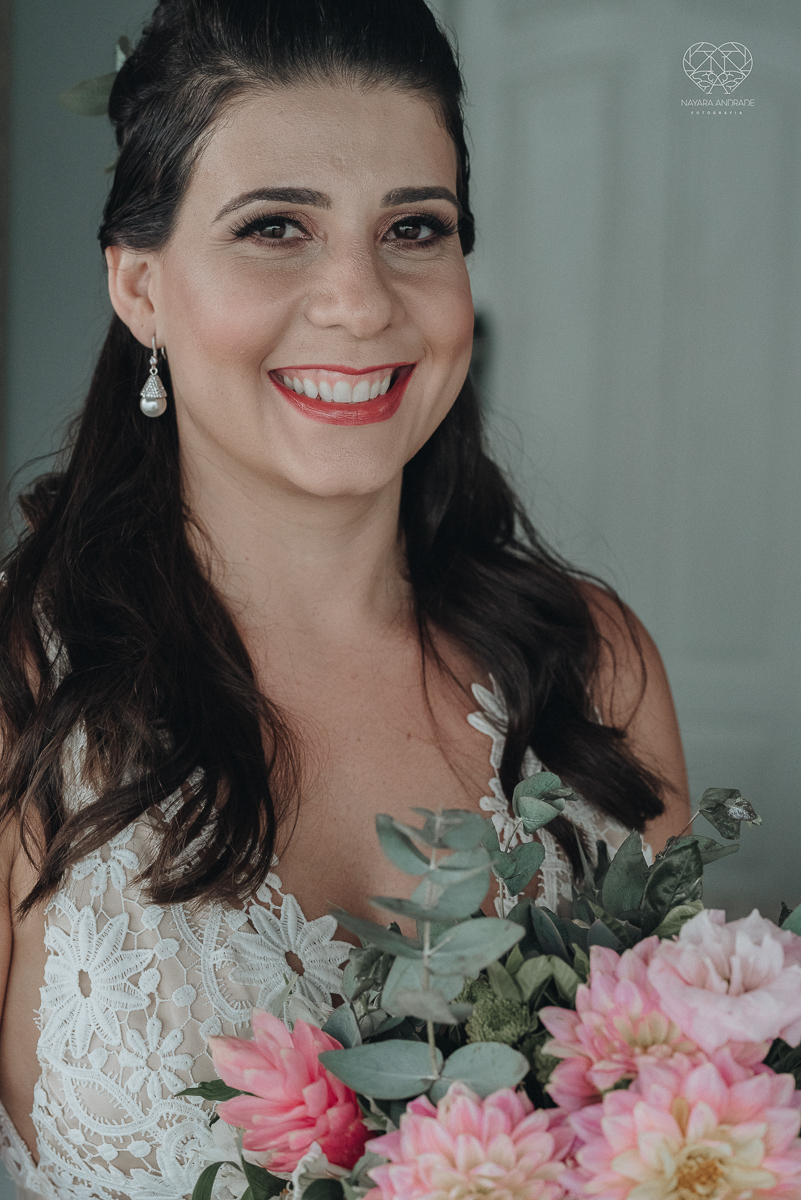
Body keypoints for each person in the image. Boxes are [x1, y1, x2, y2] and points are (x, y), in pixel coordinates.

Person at [0, 0, 690, 1195]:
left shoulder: (591, 665)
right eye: (276, 226)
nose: (362, 302)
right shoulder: (26, 695)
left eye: (415, 227)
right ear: (140, 286)